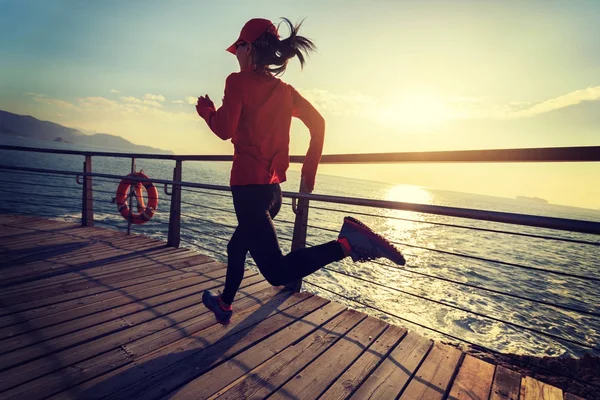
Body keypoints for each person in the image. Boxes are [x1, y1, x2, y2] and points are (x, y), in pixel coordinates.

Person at [195, 17, 406, 325]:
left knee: (277, 272)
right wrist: (309, 172)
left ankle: (347, 243)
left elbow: (224, 130)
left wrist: (207, 112)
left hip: (249, 193)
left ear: (248, 48)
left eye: (238, 47)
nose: (236, 53)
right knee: (236, 245)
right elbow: (318, 124)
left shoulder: (237, 82)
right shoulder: (286, 92)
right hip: (273, 193)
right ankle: (225, 303)